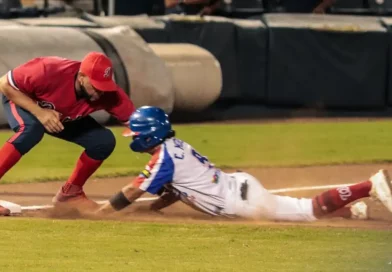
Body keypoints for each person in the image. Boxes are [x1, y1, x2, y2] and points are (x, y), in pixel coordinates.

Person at [97, 106, 392, 222]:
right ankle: (353, 211)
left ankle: (369, 185)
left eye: (135, 134)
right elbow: (175, 191)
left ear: (149, 135)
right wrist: (153, 208)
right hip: (240, 186)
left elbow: (132, 190)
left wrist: (99, 214)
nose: (133, 139)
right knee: (293, 207)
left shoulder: (163, 159)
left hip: (240, 200)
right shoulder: (175, 148)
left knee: (306, 211)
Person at [0, 52, 135, 215]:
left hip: (61, 115)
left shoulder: (110, 95)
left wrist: (164, 159)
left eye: (104, 85)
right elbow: (5, 84)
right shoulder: (48, 70)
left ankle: (70, 193)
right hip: (23, 99)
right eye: (96, 85)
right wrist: (40, 113)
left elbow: (138, 126)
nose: (100, 92)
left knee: (103, 141)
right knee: (31, 130)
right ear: (82, 77)